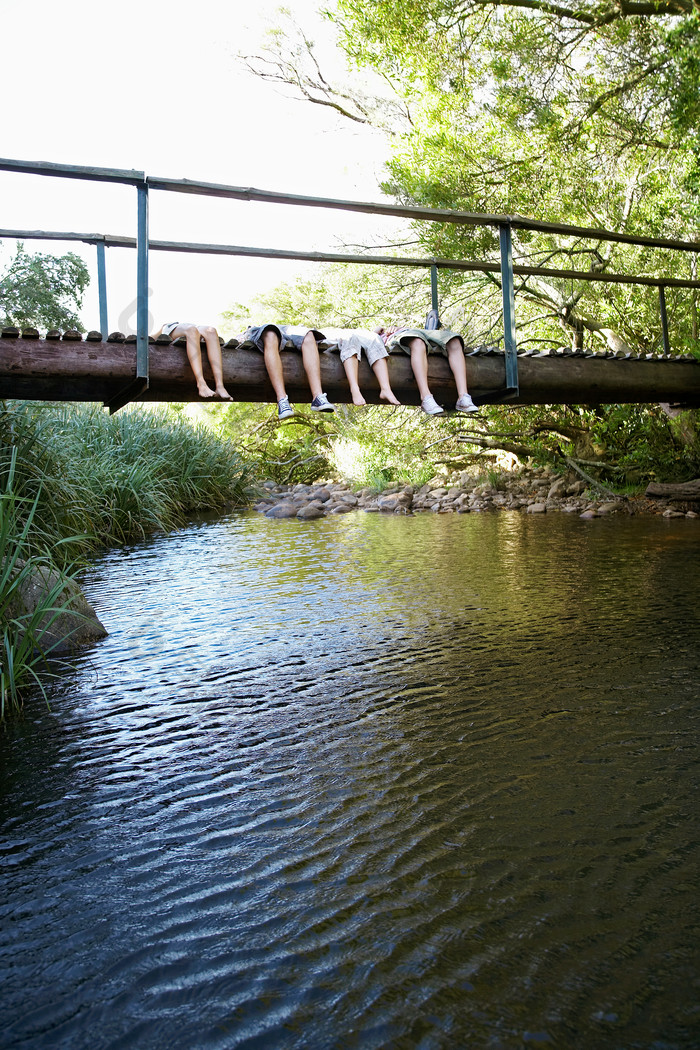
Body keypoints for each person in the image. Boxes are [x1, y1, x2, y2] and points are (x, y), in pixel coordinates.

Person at [377, 323, 479, 416]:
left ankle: (463, 397)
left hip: (411, 330)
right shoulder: (372, 338)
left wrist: (397, 328)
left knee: (454, 339)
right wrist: (377, 331)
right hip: (396, 337)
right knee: (417, 341)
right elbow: (368, 340)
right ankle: (426, 397)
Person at [242, 323, 335, 419]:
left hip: (288, 328)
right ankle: (282, 401)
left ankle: (318, 397)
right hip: (263, 328)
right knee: (270, 333)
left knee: (309, 334)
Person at [323, 327, 400, 406]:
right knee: (350, 338)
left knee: (374, 337)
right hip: (336, 338)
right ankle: (355, 389)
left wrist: (374, 332)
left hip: (358, 334)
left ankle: (386, 389)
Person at [154, 322, 232, 400]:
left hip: (193, 325)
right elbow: (150, 337)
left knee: (211, 331)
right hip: (172, 326)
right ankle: (201, 384)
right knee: (191, 330)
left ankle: (220, 386)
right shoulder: (166, 327)